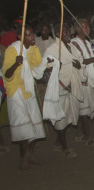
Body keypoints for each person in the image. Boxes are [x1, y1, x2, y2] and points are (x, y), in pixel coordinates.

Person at [3, 25, 48, 169]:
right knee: (24, 128)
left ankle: (29, 154)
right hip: (16, 92)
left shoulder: (34, 49)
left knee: (35, 124)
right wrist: (16, 64)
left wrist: (48, 64)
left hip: (28, 91)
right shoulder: (12, 50)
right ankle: (23, 159)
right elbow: (7, 75)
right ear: (20, 37)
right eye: (29, 35)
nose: (32, 38)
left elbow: (37, 68)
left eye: (33, 35)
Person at [44, 23, 86, 158]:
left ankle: (58, 142)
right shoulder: (53, 49)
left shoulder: (71, 47)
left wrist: (78, 65)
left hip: (72, 85)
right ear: (57, 34)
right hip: (60, 87)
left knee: (68, 116)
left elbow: (80, 60)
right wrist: (58, 67)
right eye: (65, 32)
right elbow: (47, 68)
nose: (69, 34)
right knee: (61, 119)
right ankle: (65, 147)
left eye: (69, 31)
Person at [71, 18, 94, 147]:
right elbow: (80, 62)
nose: (87, 29)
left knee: (84, 110)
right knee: (84, 111)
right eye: (83, 27)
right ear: (78, 29)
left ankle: (79, 134)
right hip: (81, 81)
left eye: (88, 26)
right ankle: (88, 137)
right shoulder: (75, 43)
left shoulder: (87, 42)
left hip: (88, 79)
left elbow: (89, 61)